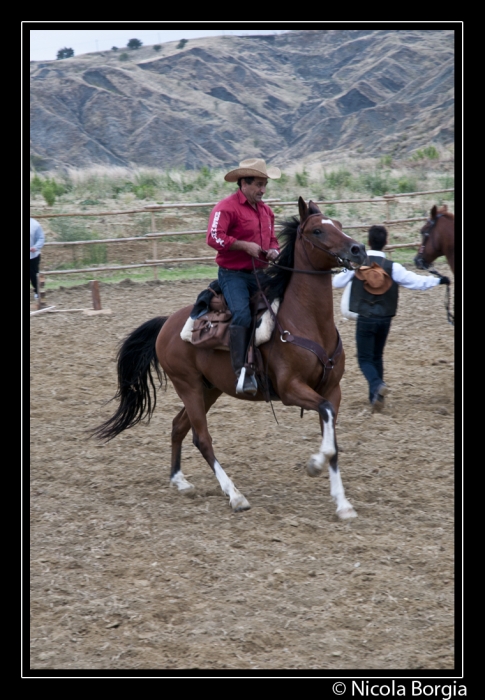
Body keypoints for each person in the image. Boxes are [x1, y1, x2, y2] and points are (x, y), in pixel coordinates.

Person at [333, 224, 451, 413]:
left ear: (368, 241)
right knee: (377, 356)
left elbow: (337, 283)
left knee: (364, 359)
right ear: (386, 243)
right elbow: (415, 282)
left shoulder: (358, 264)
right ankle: (376, 398)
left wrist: (347, 265)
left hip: (365, 319)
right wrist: (438, 280)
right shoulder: (393, 267)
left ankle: (377, 384)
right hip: (385, 319)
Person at [207, 158, 282, 395]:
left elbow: (272, 240)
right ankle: (241, 372)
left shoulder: (267, 211)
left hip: (259, 273)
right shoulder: (226, 208)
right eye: (259, 184)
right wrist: (242, 246)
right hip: (233, 275)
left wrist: (274, 251)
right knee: (241, 314)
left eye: (265, 185)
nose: (263, 190)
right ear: (244, 183)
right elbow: (213, 238)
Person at [30, 217, 45, 299]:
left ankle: (38, 292)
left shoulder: (35, 224)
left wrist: (35, 247)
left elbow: (41, 238)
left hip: (32, 256)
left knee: (34, 275)